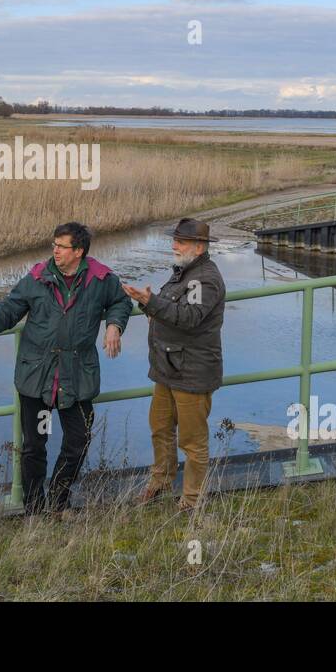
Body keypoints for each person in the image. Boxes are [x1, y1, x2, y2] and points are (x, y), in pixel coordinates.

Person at [0, 222, 130, 514]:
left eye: (62, 246)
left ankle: (59, 499)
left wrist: (114, 325)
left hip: (76, 377)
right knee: (34, 445)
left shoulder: (100, 278)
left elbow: (120, 301)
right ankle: (34, 508)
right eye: (54, 245)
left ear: (79, 251)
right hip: (38, 378)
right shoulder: (38, 276)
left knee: (78, 442)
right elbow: (12, 305)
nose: (55, 251)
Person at [122, 218, 226, 512]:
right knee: (160, 428)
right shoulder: (184, 271)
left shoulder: (204, 278)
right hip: (168, 368)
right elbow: (173, 311)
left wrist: (151, 302)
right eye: (175, 239)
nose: (173, 245)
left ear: (198, 246)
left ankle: (191, 501)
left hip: (191, 372)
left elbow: (189, 317)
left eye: (179, 241)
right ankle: (159, 484)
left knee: (192, 442)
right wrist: (149, 304)